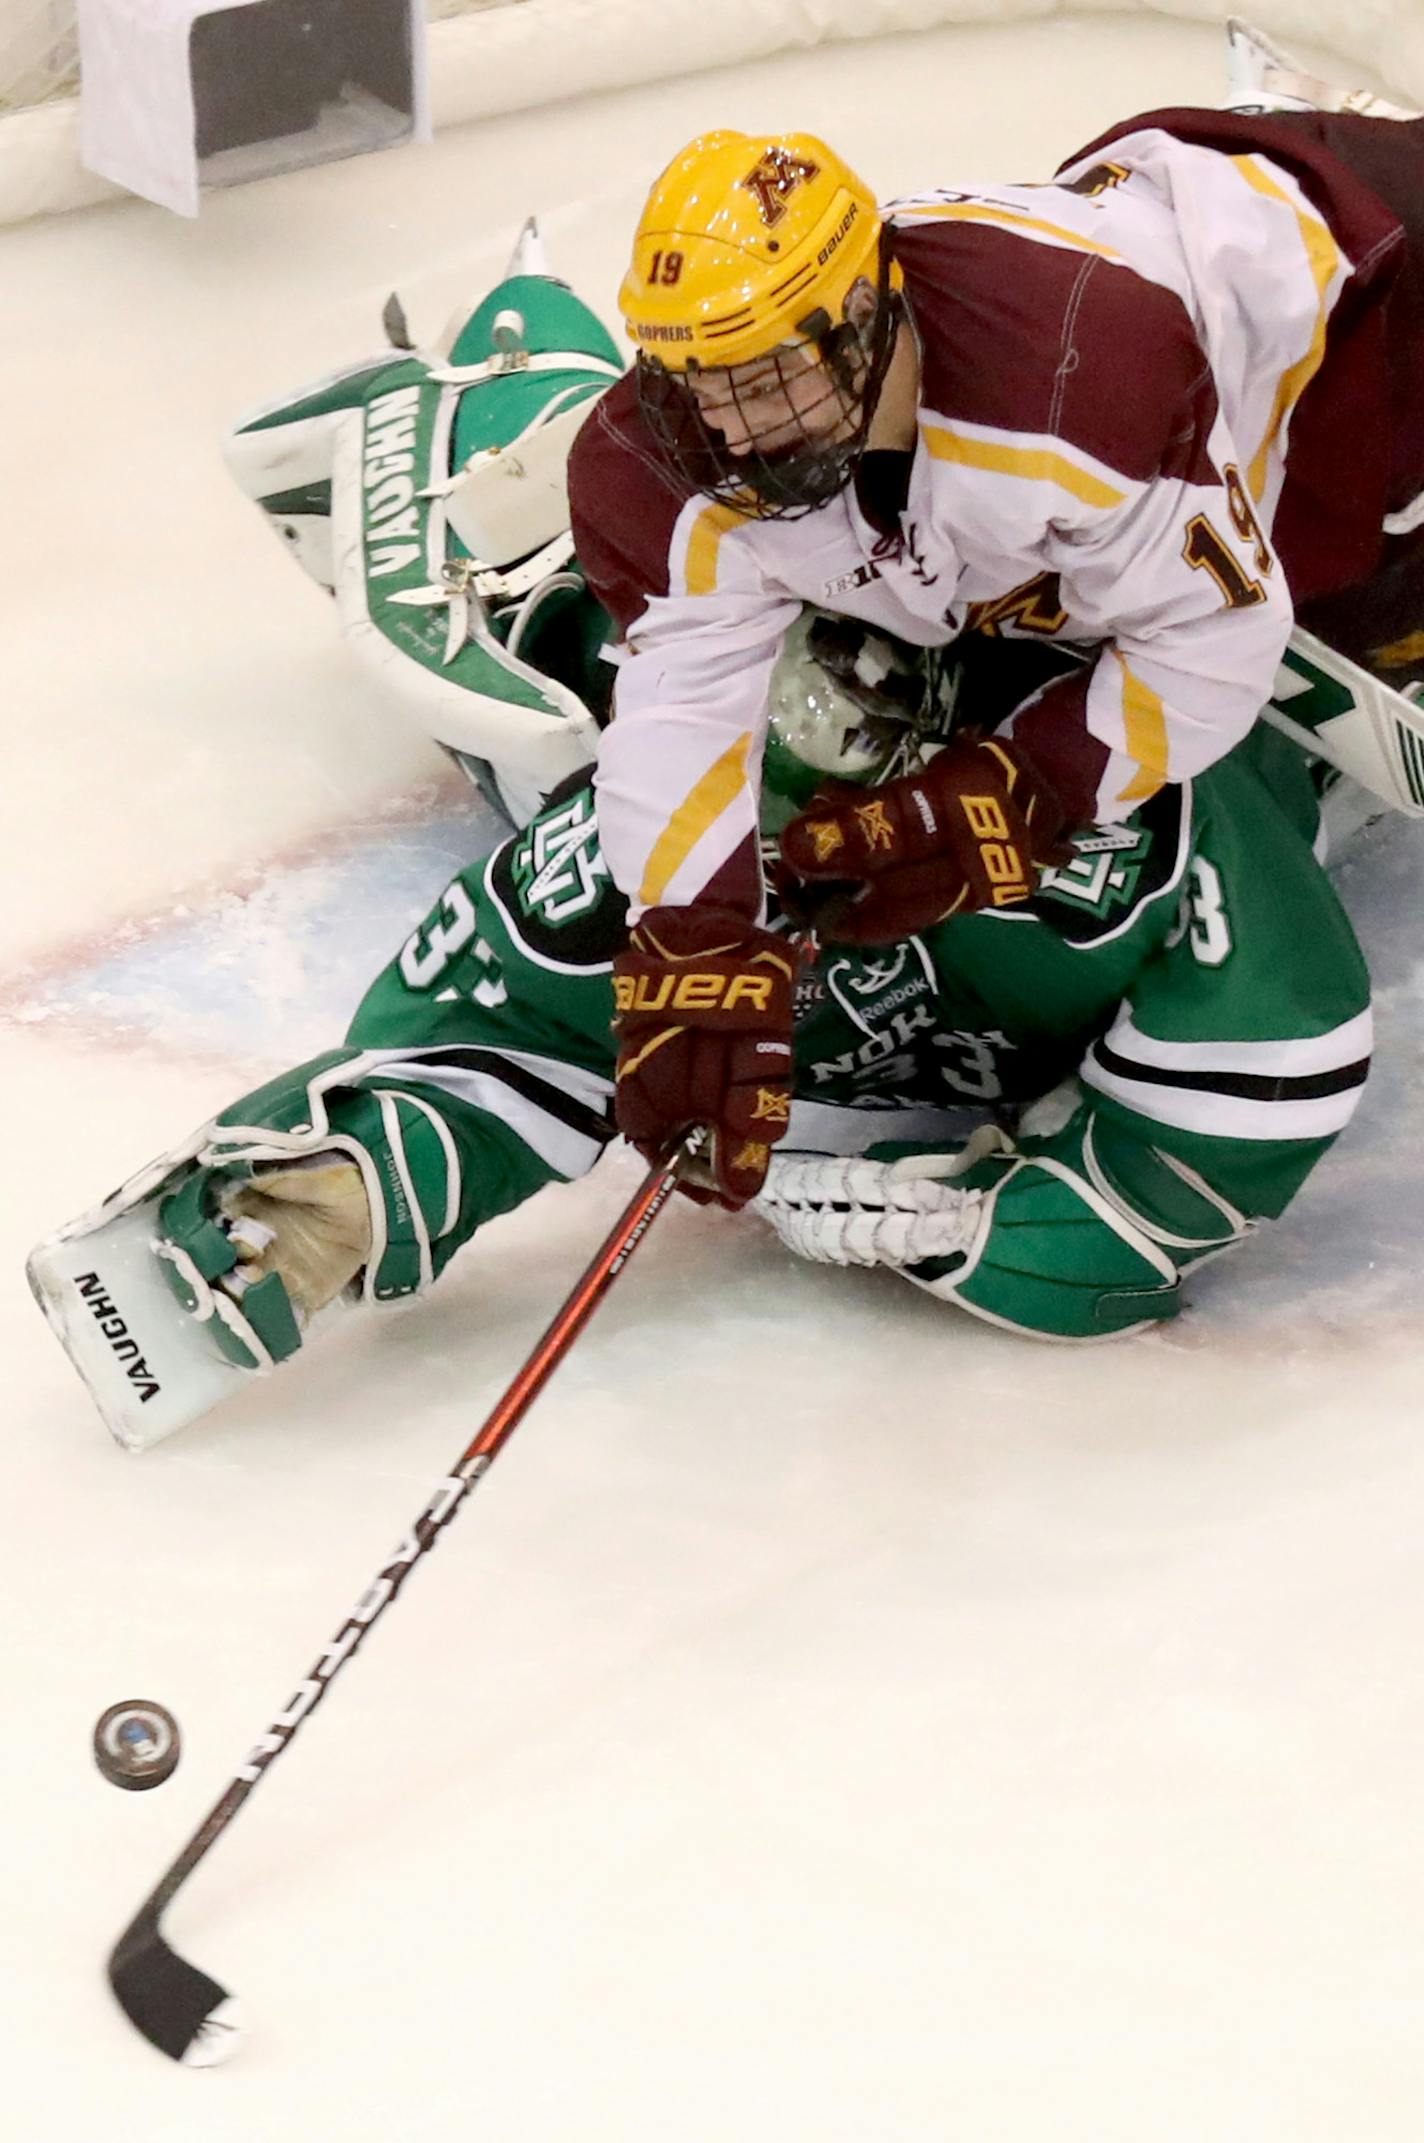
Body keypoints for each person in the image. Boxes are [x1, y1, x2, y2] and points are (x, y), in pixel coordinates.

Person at [30, 612, 1372, 1453]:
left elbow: (1271, 1037)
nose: (789, 876)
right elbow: (488, 1028)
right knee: (539, 659)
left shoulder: (1120, 823)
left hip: (1238, 666)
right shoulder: (628, 842)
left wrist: (1038, 1219)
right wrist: (357, 1185)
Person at [567, 89, 1424, 1203]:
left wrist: (1034, 782)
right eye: (697, 379)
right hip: (1154, 303)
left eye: (766, 375)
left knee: (1367, 599)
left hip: (1353, 302)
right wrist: (688, 945)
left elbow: (1218, 631)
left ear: (869, 315)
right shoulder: (673, 461)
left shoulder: (1065, 398)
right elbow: (683, 696)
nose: (730, 428)